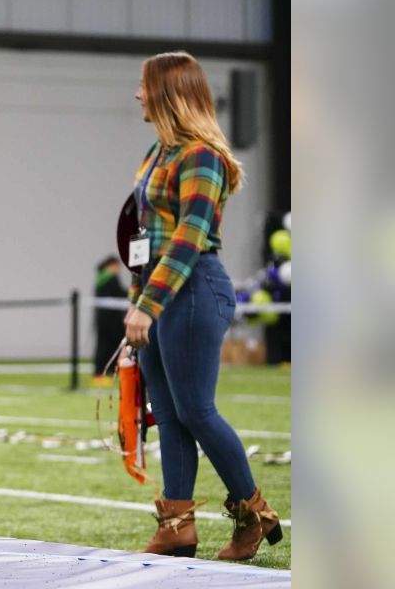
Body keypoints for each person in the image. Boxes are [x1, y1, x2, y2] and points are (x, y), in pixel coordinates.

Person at [123, 52, 282, 561]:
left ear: (168, 93)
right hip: (160, 294)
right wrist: (136, 304)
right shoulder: (158, 152)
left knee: (195, 409)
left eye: (144, 86)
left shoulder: (201, 156)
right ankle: (177, 526)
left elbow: (190, 237)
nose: (137, 94)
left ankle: (253, 515)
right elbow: (145, 235)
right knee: (168, 416)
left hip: (192, 290)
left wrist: (146, 305)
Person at [92, 255, 128, 386]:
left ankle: (102, 373)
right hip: (111, 320)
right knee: (109, 346)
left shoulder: (100, 277)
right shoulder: (111, 277)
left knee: (103, 346)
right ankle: (105, 373)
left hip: (102, 318)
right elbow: (120, 293)